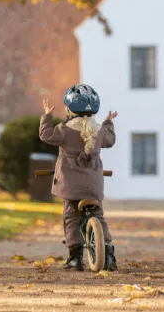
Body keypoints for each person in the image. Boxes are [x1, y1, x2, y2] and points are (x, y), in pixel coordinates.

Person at [39, 85, 118, 271]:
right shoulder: (99, 131)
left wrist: (47, 116)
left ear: (69, 109)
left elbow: (45, 135)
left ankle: (75, 258)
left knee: (71, 217)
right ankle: (108, 256)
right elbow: (111, 141)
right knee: (99, 215)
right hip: (93, 187)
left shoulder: (64, 129)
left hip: (70, 187)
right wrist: (108, 122)